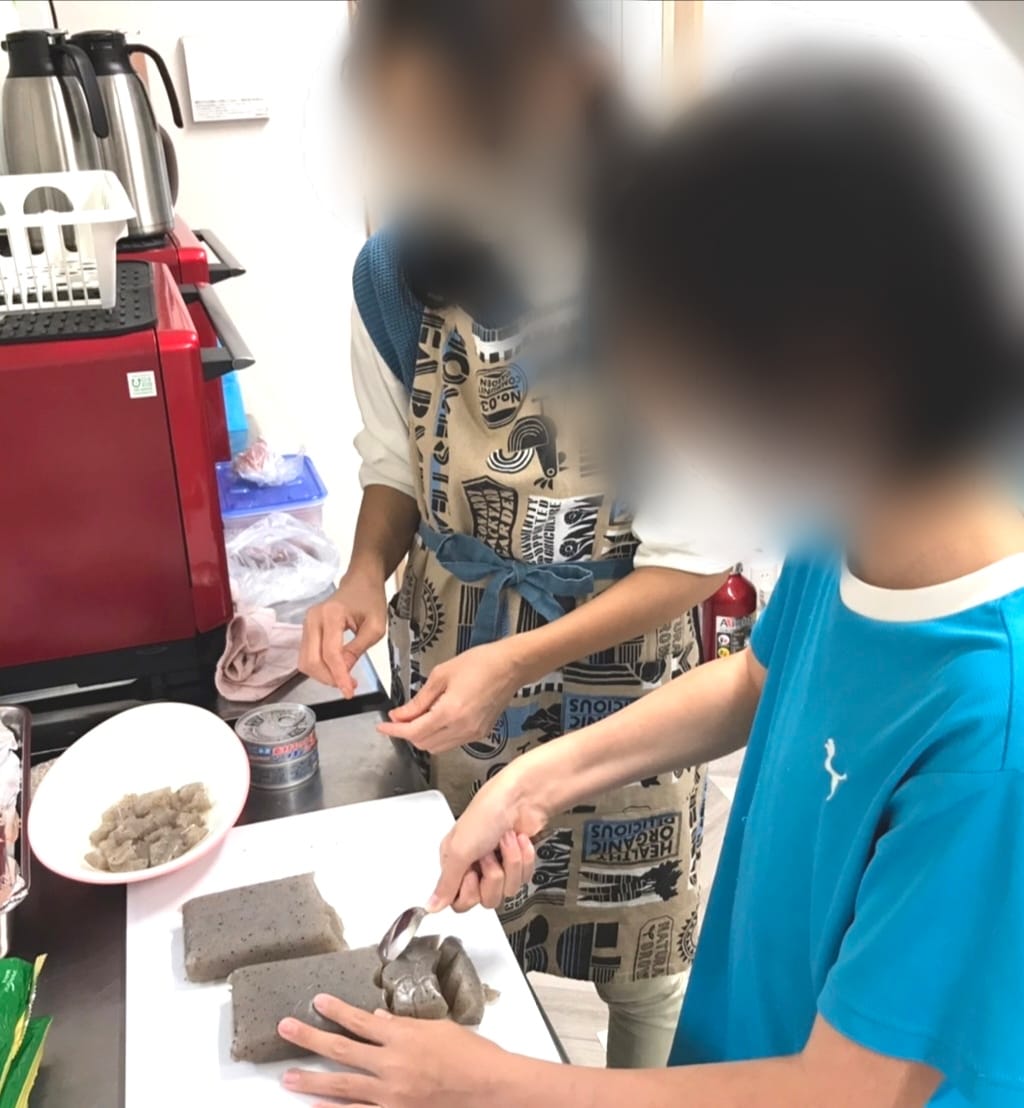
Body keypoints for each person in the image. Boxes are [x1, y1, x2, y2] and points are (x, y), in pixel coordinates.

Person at [279, 59, 1024, 1108]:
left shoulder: (1004, 735)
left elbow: (846, 1092)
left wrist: (496, 1085)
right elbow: (756, 683)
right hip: (742, 1050)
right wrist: (533, 780)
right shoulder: (860, 514)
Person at [298, 0, 729, 1068]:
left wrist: (520, 661)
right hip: (453, 660)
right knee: (472, 915)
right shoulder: (395, 273)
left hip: (623, 682)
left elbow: (692, 556)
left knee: (644, 960)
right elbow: (394, 465)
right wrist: (362, 575)